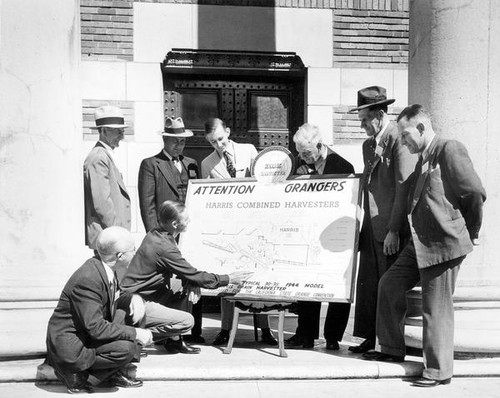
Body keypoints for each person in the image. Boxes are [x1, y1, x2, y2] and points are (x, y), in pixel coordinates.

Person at [363, 105, 486, 388]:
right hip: (419, 242)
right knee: (389, 284)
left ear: (420, 128)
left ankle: (438, 371)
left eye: (405, 135)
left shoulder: (449, 148)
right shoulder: (423, 155)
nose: (403, 141)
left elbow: (474, 193)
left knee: (436, 307)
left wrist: (471, 230)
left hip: (444, 243)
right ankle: (391, 349)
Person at [120, 200, 252, 354]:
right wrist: (229, 278)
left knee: (184, 286)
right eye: (186, 218)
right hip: (134, 303)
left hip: (141, 294)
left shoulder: (156, 234)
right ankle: (134, 337)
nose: (189, 220)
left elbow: (187, 273)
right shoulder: (164, 247)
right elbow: (194, 274)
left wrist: (191, 282)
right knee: (187, 322)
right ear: (175, 224)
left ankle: (174, 340)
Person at [347, 86, 417, 353]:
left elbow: (404, 186)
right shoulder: (369, 144)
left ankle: (387, 345)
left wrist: (395, 230)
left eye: (365, 120)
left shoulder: (399, 139)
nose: (362, 126)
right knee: (368, 286)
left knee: (388, 287)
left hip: (390, 229)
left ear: (379, 114)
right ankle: (368, 337)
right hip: (371, 226)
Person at [45, 227, 153, 394]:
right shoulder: (88, 278)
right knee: (125, 348)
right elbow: (96, 328)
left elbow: (108, 298)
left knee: (135, 309)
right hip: (72, 345)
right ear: (120, 256)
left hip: (87, 332)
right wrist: (136, 333)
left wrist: (134, 298)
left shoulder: (105, 267)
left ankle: (115, 369)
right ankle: (78, 374)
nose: (135, 253)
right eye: (133, 249)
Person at [201, 117, 278, 347]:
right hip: (229, 230)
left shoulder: (249, 151)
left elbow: (266, 184)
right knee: (228, 279)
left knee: (259, 275)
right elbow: (206, 198)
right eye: (213, 142)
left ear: (228, 131)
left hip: (256, 225)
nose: (219, 145)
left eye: (221, 139)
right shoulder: (207, 164)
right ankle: (225, 330)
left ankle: (265, 330)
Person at [285, 123, 355, 350]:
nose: (303, 157)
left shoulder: (343, 164)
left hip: (336, 236)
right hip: (309, 235)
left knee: (336, 286)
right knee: (307, 283)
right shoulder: (300, 163)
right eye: (300, 153)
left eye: (306, 153)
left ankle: (333, 337)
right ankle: (305, 335)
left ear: (318, 145)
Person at [137, 116, 203, 343]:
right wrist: (158, 238)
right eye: (174, 140)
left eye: (182, 141)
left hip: (189, 231)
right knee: (170, 283)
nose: (179, 145)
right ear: (165, 139)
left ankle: (193, 331)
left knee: (192, 277)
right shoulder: (151, 164)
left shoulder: (192, 163)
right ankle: (171, 335)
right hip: (166, 235)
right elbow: (148, 206)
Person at [84, 105, 131, 250]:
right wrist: (118, 233)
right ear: (103, 131)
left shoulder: (105, 154)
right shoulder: (99, 157)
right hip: (108, 236)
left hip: (110, 235)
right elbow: (102, 203)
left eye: (122, 131)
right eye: (117, 131)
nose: (122, 136)